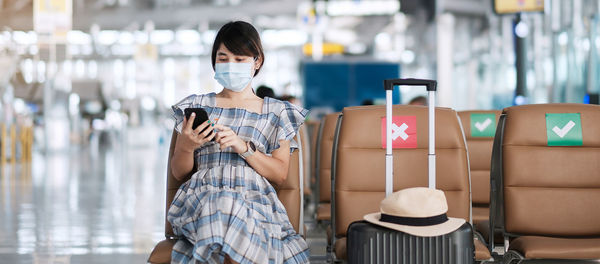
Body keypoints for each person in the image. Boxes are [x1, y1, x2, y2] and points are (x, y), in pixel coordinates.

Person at [167, 21, 310, 264]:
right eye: (223, 58)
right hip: (203, 198)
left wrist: (244, 148)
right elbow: (179, 173)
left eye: (239, 59)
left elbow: (280, 174)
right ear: (214, 62)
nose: (230, 65)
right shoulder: (196, 106)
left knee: (231, 220)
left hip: (255, 199)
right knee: (222, 205)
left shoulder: (277, 113)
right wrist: (187, 146)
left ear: (257, 62)